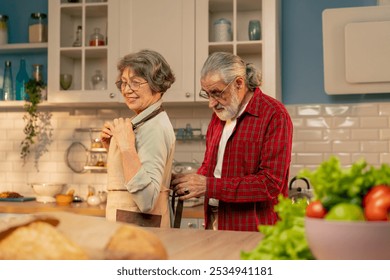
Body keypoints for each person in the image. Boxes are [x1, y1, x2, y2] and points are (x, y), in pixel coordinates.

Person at [171, 52, 293, 231]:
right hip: (215, 221)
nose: (211, 103)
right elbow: (209, 167)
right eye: (207, 94)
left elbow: (269, 184)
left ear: (239, 83)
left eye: (217, 93)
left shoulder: (274, 115)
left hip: (254, 228)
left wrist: (208, 185)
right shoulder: (219, 116)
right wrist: (188, 182)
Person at [100, 49, 176, 228]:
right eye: (124, 83)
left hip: (139, 234)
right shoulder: (147, 121)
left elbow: (147, 199)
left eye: (135, 83)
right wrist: (114, 147)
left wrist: (126, 147)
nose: (126, 90)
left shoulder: (154, 128)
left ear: (157, 85)